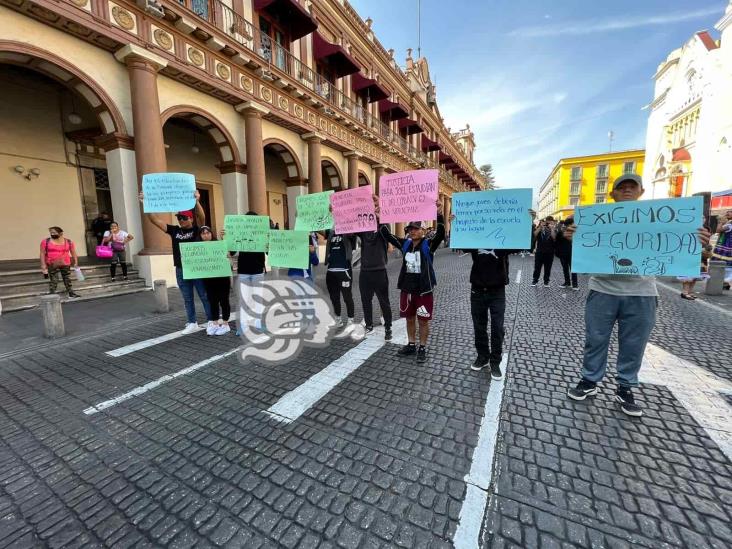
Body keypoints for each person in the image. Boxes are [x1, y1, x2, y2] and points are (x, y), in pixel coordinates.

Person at [563, 174, 711, 416]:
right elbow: (581, 256)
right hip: (602, 289)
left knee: (634, 344)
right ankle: (589, 381)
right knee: (595, 340)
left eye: (633, 187)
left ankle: (625, 387)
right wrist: (571, 239)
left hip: (642, 292)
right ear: (613, 194)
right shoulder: (594, 221)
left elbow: (691, 254)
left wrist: (699, 244)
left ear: (641, 192)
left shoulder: (660, 220)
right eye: (622, 187)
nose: (628, 190)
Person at [378, 203, 445, 364]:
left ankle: (422, 347)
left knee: (423, 320)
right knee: (409, 318)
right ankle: (411, 344)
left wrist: (439, 215)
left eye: (416, 228)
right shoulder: (406, 244)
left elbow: (441, 234)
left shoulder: (429, 244)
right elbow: (388, 236)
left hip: (423, 291)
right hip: (407, 290)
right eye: (410, 229)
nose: (412, 231)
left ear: (423, 230)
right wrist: (381, 218)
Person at [140, 190, 214, 335]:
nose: (180, 220)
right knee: (187, 298)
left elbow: (202, 216)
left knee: (204, 296)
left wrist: (197, 201)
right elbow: (154, 220)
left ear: (191, 219)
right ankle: (192, 322)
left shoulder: (197, 230)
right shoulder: (174, 230)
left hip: (197, 269)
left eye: (184, 217)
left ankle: (211, 320)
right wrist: (146, 204)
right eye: (179, 217)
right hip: (181, 269)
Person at [357, 215, 394, 341]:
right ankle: (369, 325)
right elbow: (348, 228)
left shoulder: (383, 227)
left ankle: (388, 328)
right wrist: (337, 213)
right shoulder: (362, 228)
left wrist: (381, 215)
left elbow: (388, 233)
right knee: (365, 301)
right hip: (365, 271)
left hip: (379, 270)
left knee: (384, 301)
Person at [199, 226, 232, 335]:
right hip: (208, 280)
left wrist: (224, 239)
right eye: (203, 233)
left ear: (211, 234)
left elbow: (228, 254)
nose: (206, 235)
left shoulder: (219, 244)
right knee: (212, 301)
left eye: (208, 233)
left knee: (224, 300)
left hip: (222, 278)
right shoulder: (198, 248)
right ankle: (215, 323)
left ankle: (226, 324)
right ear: (200, 235)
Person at [323, 228, 357, 329]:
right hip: (331, 271)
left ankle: (351, 320)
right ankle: (338, 319)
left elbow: (354, 233)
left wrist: (348, 225)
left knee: (347, 297)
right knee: (334, 297)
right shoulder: (331, 232)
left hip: (344, 271)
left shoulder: (349, 231)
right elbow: (320, 230)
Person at [40, 226, 80, 298]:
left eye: (54, 232)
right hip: (51, 263)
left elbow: (73, 252)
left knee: (67, 278)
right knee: (54, 279)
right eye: (51, 233)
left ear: (61, 233)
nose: (52, 234)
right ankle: (52, 294)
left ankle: (71, 293)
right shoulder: (45, 242)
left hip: (65, 262)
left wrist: (76, 262)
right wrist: (43, 265)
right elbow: (42, 253)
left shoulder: (68, 242)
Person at [532, 216, 556, 286]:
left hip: (550, 252)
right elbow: (534, 235)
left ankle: (546, 281)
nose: (548, 224)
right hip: (539, 251)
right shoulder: (540, 228)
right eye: (547, 222)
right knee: (537, 267)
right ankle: (535, 280)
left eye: (550, 222)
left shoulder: (554, 229)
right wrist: (540, 227)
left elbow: (554, 238)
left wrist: (552, 228)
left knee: (548, 268)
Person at [555, 217, 578, 290]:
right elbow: (557, 239)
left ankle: (575, 285)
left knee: (573, 269)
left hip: (571, 253)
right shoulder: (562, 231)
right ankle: (568, 283)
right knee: (565, 269)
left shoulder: (575, 232)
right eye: (571, 224)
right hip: (564, 253)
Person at [712, 209, 732, 290]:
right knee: (724, 265)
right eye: (726, 212)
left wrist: (720, 221)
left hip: (726, 248)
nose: (727, 213)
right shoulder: (728, 223)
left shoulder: (730, 224)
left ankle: (724, 282)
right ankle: (725, 283)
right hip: (724, 246)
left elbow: (718, 230)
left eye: (730, 212)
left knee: (724, 265)